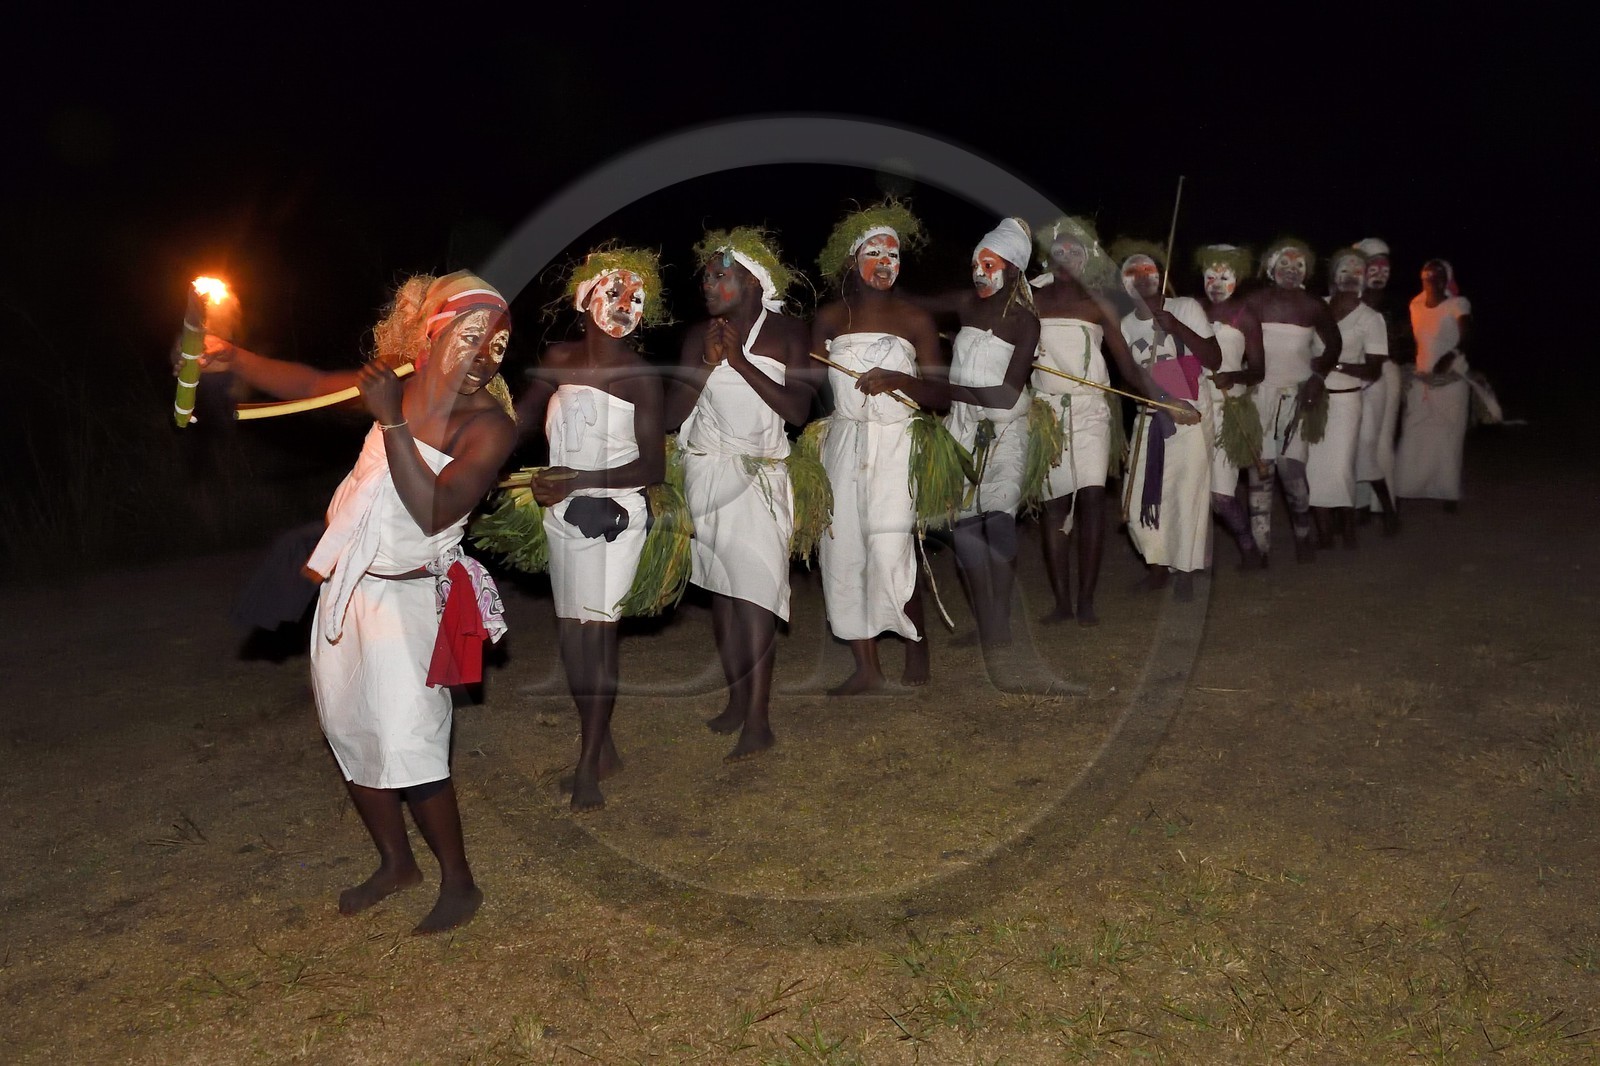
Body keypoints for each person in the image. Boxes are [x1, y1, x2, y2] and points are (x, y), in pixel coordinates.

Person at [198, 271, 518, 934]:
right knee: (350, 729)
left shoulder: (488, 425)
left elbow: (434, 511)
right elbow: (313, 383)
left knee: (411, 742)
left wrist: (392, 420)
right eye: (469, 339)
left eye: (497, 345)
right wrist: (234, 356)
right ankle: (396, 863)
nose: (484, 358)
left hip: (411, 599)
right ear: (431, 337)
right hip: (349, 589)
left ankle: (460, 883)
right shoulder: (402, 382)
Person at [517, 248, 667, 810]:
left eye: (635, 297)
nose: (624, 304)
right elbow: (521, 421)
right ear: (584, 298)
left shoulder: (641, 376)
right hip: (561, 513)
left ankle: (587, 766)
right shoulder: (558, 358)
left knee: (597, 636)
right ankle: (602, 748)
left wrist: (578, 479)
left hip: (616, 515)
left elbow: (653, 466)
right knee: (572, 638)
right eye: (613, 292)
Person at [665, 228, 812, 760]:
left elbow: (798, 410)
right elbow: (670, 415)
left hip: (760, 478)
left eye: (719, 274)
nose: (708, 283)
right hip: (708, 475)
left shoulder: (788, 332)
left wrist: (740, 363)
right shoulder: (696, 336)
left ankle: (758, 720)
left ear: (752, 281)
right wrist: (707, 364)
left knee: (755, 594)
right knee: (724, 592)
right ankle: (736, 700)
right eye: (706, 276)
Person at [811, 201, 944, 694]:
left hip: (896, 443)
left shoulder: (915, 319)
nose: (885, 263)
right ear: (852, 260)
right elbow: (807, 387)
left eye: (893, 254)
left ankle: (915, 642)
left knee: (892, 548)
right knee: (843, 551)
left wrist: (900, 380)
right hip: (844, 442)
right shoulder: (829, 318)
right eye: (874, 253)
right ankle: (866, 667)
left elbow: (940, 395)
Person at [908, 217, 1040, 648]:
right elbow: (919, 303)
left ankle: (1000, 622)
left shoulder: (1024, 321)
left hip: (1005, 431)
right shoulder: (966, 303)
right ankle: (985, 622)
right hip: (961, 432)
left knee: (998, 525)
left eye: (990, 265)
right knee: (965, 534)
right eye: (975, 266)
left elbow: (1006, 394)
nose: (980, 273)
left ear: (1013, 269)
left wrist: (946, 390)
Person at [1031, 217, 1156, 624]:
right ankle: (1062, 602)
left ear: (1086, 261)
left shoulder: (1099, 303)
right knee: (1054, 505)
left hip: (1091, 411)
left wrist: (1163, 398)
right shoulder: (1030, 300)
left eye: (1075, 252)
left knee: (1091, 499)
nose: (1066, 258)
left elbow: (1127, 366)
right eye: (1060, 251)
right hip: (1046, 413)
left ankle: (1086, 600)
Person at [1112, 241, 1215, 598]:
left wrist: (1176, 328)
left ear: (1160, 275)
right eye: (1132, 272)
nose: (1141, 277)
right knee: (1138, 495)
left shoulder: (1184, 307)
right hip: (1151, 412)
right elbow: (1129, 376)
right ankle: (1157, 565)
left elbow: (1214, 358)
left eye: (1148, 270)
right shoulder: (1125, 325)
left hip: (1191, 411)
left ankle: (1183, 570)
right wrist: (1159, 398)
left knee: (1186, 494)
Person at [1242, 239, 1342, 562]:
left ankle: (1303, 534)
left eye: (1298, 265)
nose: (1291, 270)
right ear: (1271, 269)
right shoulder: (1254, 302)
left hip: (1297, 397)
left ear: (1306, 271)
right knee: (1260, 472)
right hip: (1259, 396)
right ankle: (1261, 547)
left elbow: (1333, 346)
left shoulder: (1314, 306)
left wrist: (1317, 378)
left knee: (1293, 473)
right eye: (1283, 264)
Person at [1306, 247, 1395, 545]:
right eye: (1344, 269)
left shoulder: (1370, 318)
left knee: (1342, 467)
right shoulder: (1317, 306)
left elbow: (1374, 370)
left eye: (1358, 271)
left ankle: (1348, 531)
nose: (1350, 276)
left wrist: (1334, 364)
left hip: (1345, 400)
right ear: (1333, 275)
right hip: (1314, 400)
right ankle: (1325, 533)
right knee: (1313, 468)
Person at [1194, 244, 1266, 569]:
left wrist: (1233, 376)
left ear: (1238, 278)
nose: (1217, 284)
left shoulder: (1245, 316)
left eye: (1225, 277)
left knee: (1221, 495)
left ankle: (1249, 549)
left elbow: (1258, 371)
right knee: (1193, 489)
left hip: (1229, 410)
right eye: (1211, 276)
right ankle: (1191, 559)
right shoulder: (1192, 310)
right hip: (1193, 410)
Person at [1393, 259, 1473, 510]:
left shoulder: (1457, 304)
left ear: (1446, 279)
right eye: (1428, 275)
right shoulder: (1415, 304)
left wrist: (1450, 355)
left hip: (1451, 380)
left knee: (1448, 438)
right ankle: (1405, 488)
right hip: (1423, 379)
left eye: (1438, 276)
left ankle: (1448, 493)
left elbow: (1467, 336)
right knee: (1413, 434)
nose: (1432, 280)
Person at [1354, 237, 1404, 522]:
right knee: (1357, 440)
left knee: (1380, 440)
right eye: (1374, 266)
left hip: (1383, 372)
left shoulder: (1390, 303)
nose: (1380, 272)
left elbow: (1398, 344)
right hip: (1352, 373)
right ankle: (1360, 504)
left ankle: (1383, 505)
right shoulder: (1349, 297)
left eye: (1385, 267)